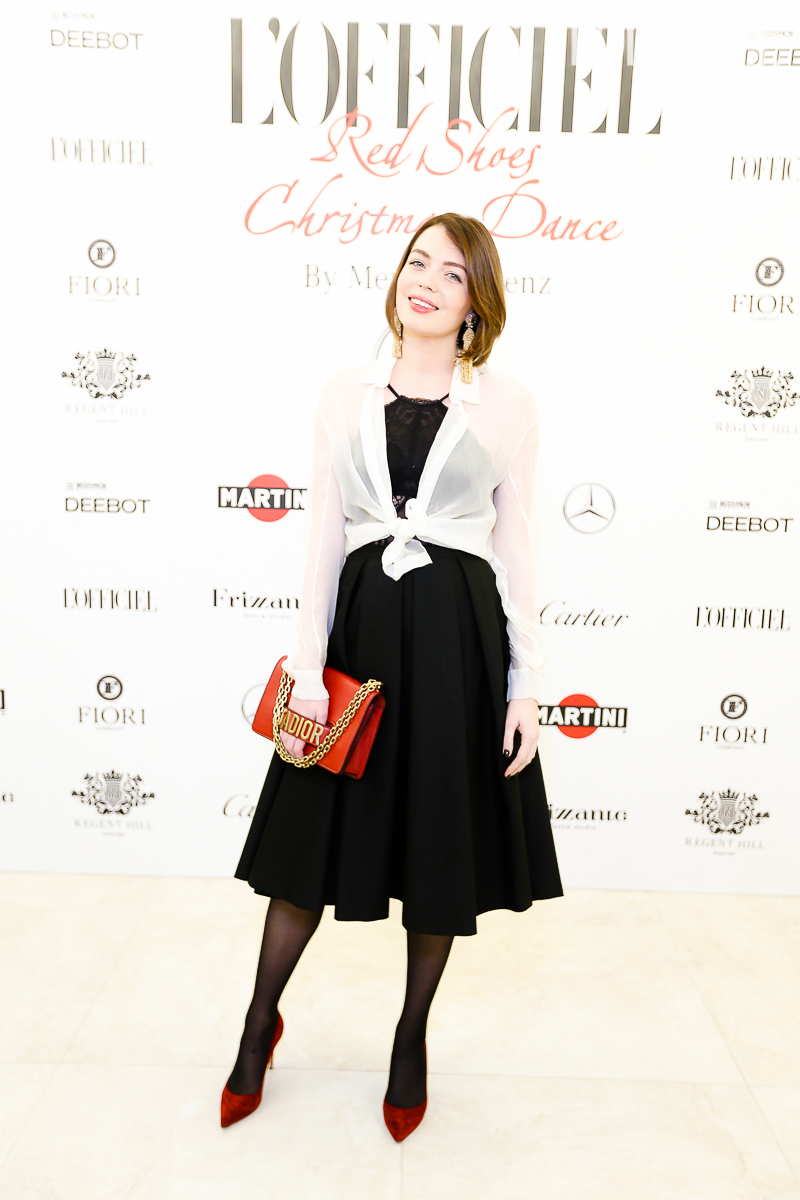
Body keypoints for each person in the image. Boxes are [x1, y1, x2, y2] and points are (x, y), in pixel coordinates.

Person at [223, 213, 563, 1141]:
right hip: (364, 631)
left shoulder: (510, 405)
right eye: (418, 262)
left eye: (452, 274)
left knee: (437, 844)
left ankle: (410, 1037)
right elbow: (323, 537)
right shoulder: (344, 392)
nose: (427, 282)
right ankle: (260, 1021)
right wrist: (306, 665)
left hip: (458, 640)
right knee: (309, 844)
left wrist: (525, 683)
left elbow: (517, 545)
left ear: (475, 303)